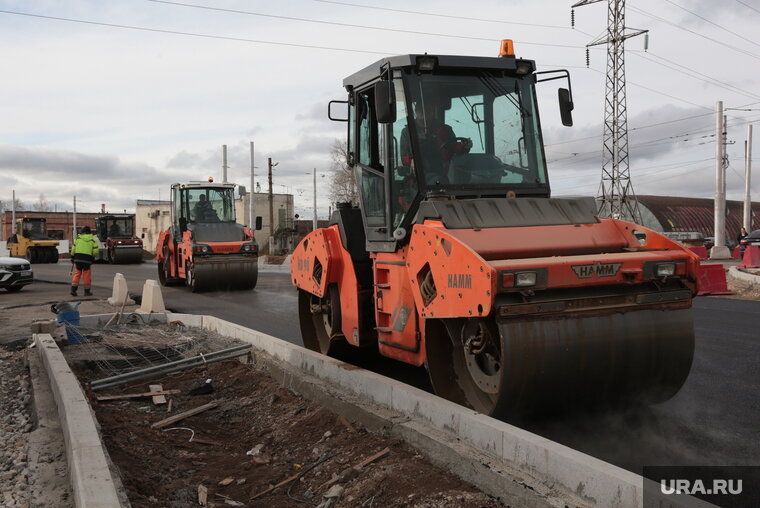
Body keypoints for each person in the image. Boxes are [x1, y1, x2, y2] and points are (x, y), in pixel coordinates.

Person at [400, 100, 472, 184]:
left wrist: (464, 147)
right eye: (421, 110)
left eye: (428, 110)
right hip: (420, 176)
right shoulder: (408, 132)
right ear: (416, 112)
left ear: (433, 112)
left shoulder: (445, 130)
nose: (425, 114)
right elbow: (405, 158)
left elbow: (455, 150)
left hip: (445, 172)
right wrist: (413, 160)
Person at [70, 226, 99, 296]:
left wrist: (72, 257)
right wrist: (93, 256)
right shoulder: (92, 240)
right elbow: (95, 251)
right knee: (86, 275)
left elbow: (73, 249)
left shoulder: (78, 239)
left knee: (77, 273)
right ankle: (87, 292)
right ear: (89, 232)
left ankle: (73, 290)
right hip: (87, 259)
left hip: (78, 258)